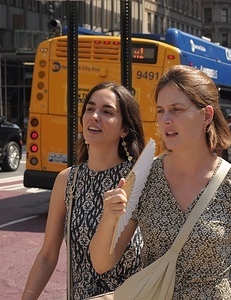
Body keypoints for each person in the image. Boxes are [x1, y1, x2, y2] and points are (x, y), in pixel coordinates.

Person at [90, 65, 231, 299]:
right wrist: (109, 217)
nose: (166, 120)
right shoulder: (145, 176)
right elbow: (102, 262)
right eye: (160, 110)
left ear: (206, 115)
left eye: (176, 109)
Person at [22, 82, 145, 300]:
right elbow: (48, 255)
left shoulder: (140, 178)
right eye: (90, 108)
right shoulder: (67, 180)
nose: (95, 116)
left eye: (107, 111)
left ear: (124, 129)